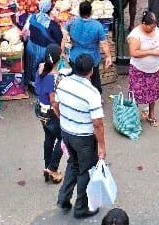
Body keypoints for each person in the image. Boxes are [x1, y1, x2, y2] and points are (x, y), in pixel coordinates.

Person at [54, 54, 107, 219]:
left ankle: (63, 198)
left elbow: (55, 104)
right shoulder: (92, 92)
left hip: (66, 132)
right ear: (91, 71)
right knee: (85, 170)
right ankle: (81, 208)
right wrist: (102, 146)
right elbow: (97, 124)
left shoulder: (63, 83)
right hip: (83, 137)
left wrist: (64, 119)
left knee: (73, 163)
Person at [126, 11, 159, 126]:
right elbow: (133, 52)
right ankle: (132, 117)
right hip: (139, 70)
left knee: (153, 93)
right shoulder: (135, 35)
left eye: (154, 27)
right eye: (151, 27)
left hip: (154, 69)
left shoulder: (156, 30)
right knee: (136, 94)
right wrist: (151, 52)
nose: (153, 29)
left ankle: (151, 114)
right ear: (144, 23)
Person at [64, 1, 112, 92]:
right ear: (91, 12)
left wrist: (62, 51)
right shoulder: (97, 26)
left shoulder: (72, 22)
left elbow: (64, 36)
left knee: (75, 77)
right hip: (92, 58)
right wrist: (108, 56)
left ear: (79, 11)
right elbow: (104, 43)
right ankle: (97, 96)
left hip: (75, 57)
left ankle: (75, 94)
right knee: (95, 79)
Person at [35, 45, 64, 185]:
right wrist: (60, 116)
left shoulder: (41, 68)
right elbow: (54, 101)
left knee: (49, 138)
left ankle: (47, 167)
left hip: (40, 110)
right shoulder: (52, 78)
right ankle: (52, 168)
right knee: (64, 139)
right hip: (50, 112)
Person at [24, 0, 64, 91]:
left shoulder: (32, 17)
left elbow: (27, 30)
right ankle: (41, 88)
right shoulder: (52, 24)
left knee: (31, 66)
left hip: (31, 46)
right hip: (43, 50)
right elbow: (59, 38)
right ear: (50, 9)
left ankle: (31, 84)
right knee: (42, 68)